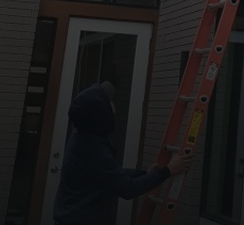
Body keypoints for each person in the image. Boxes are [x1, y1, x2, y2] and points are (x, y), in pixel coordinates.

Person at [53, 82, 191, 225]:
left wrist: (143, 174)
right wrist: (168, 170)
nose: (113, 104)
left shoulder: (83, 135)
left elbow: (109, 173)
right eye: (109, 102)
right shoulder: (91, 148)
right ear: (100, 113)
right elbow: (127, 188)